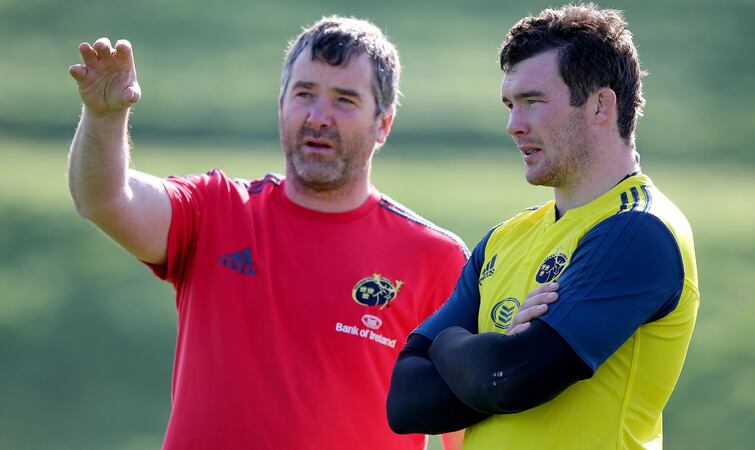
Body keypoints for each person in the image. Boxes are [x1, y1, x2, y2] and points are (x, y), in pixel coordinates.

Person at [67, 17, 467, 450]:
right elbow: (105, 199)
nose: (318, 117)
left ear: (383, 124)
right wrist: (104, 117)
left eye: (345, 100)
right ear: (281, 105)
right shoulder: (214, 210)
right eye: (305, 94)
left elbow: (467, 430)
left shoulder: (436, 259)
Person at [386, 4, 700, 449]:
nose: (514, 125)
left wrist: (451, 342)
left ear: (599, 105)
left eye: (533, 102)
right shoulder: (501, 240)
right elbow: (406, 402)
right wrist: (497, 354)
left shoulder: (638, 229)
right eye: (510, 105)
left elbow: (510, 380)